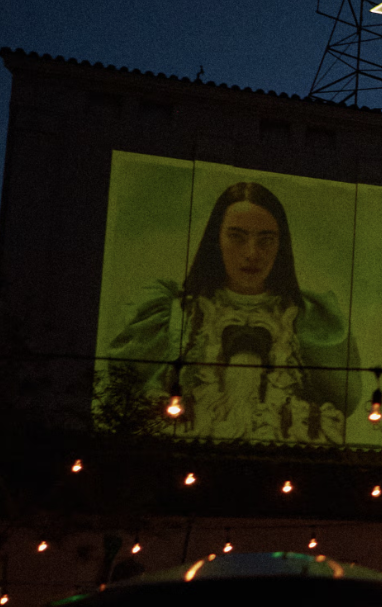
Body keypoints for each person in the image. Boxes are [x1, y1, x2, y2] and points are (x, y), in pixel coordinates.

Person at [104, 179, 358, 444]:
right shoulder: (172, 311)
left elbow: (343, 402)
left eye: (266, 240)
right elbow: (128, 397)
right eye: (237, 237)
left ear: (280, 246)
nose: (251, 253)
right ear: (217, 239)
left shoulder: (310, 319)